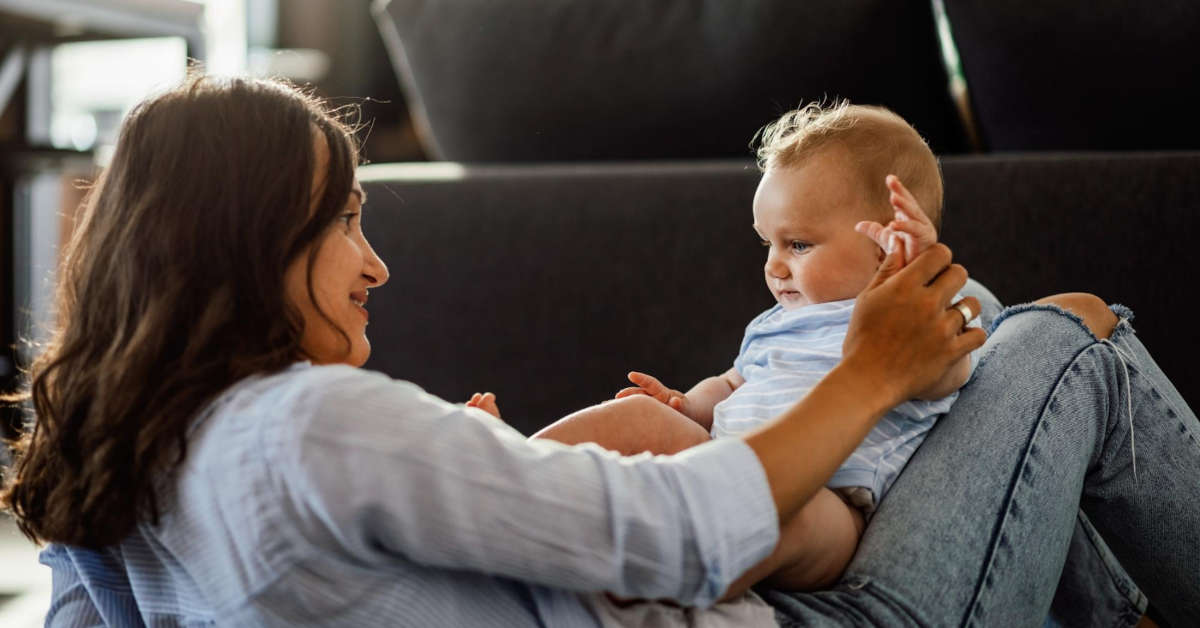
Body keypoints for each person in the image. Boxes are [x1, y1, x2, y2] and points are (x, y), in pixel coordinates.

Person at [0, 75, 1196, 627]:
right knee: (1067, 330)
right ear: (246, 241)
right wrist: (875, 366)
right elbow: (682, 539)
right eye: (346, 219)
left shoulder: (125, 465)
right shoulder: (307, 419)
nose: (375, 264)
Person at [469, 103, 983, 598]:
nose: (775, 267)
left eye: (798, 245)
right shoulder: (776, 326)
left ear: (886, 245)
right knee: (635, 417)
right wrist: (688, 405)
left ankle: (662, 573)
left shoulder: (918, 315)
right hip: (723, 462)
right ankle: (510, 468)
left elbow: (949, 371)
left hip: (838, 503)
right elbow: (735, 382)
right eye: (768, 245)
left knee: (786, 525)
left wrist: (917, 270)